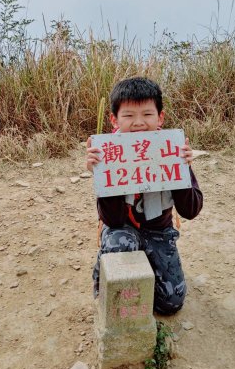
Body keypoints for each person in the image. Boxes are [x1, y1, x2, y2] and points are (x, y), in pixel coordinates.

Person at [86, 77, 203, 315]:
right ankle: (108, 271)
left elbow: (191, 210)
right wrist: (103, 176)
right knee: (120, 246)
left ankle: (151, 264)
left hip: (159, 230)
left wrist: (181, 169)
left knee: (171, 302)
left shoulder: (172, 149)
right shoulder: (106, 153)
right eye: (128, 116)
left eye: (148, 115)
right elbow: (112, 219)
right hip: (122, 229)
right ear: (114, 119)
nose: (138, 123)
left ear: (160, 117)